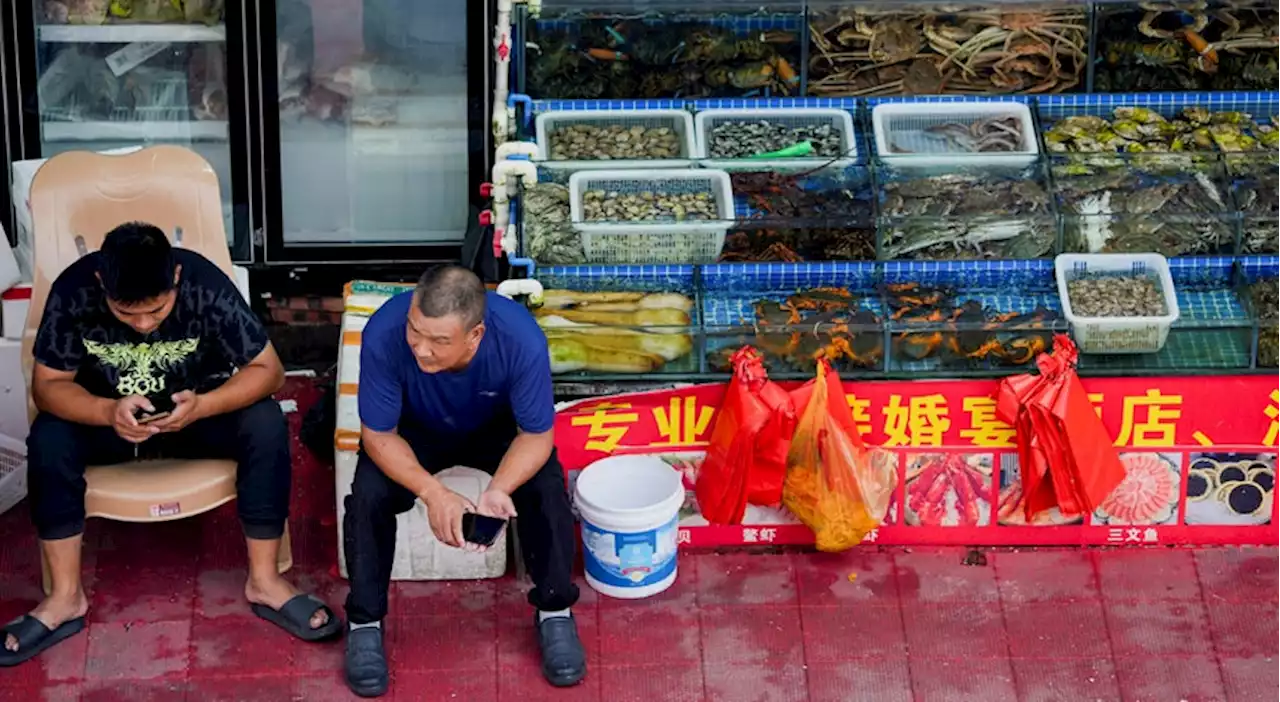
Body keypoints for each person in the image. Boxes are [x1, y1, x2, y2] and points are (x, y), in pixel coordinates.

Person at [0, 222, 342, 668]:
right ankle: (65, 598)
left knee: (264, 422)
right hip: (110, 422)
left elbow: (269, 371)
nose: (143, 325)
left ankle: (265, 581)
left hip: (194, 416)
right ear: (102, 283)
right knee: (49, 436)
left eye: (157, 311)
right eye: (126, 314)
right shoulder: (75, 290)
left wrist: (204, 406)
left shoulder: (204, 284)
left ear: (175, 279)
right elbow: (48, 386)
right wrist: (107, 411)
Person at [342, 265, 584, 698]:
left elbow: (537, 435)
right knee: (368, 497)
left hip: (495, 428)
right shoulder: (384, 333)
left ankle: (555, 610)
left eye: (439, 342)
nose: (421, 349)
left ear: (475, 335)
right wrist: (433, 493)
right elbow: (378, 435)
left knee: (546, 490)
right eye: (416, 331)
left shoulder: (520, 339)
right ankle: (364, 620)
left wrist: (499, 489)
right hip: (413, 429)